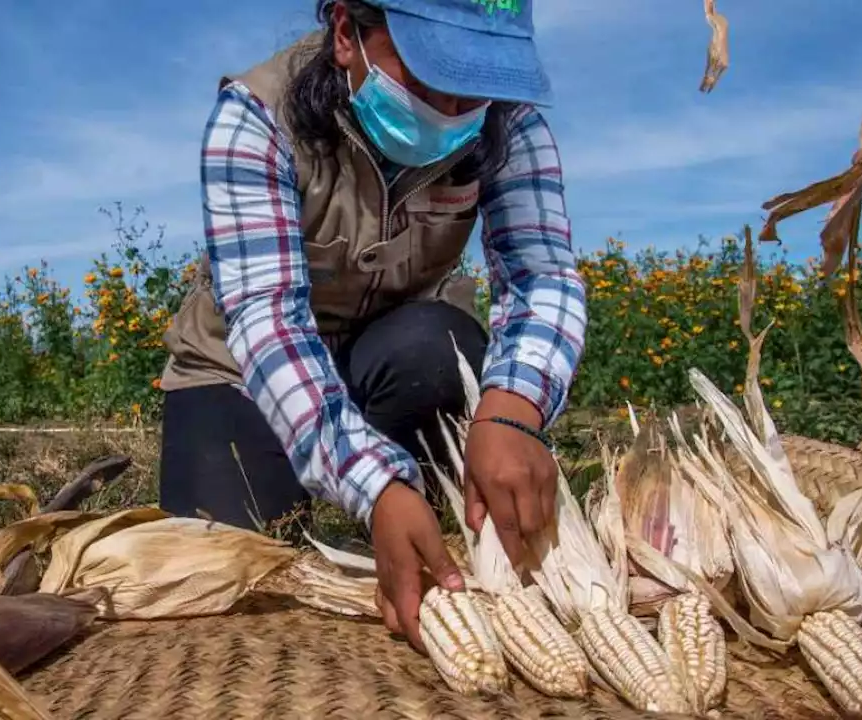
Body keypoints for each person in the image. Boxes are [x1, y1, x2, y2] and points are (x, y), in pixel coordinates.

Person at [156, 0, 587, 654]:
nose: (450, 108)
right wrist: (376, 483)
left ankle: (420, 497)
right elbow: (269, 323)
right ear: (346, 34)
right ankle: (373, 490)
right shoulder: (253, 118)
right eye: (425, 79)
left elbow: (543, 277)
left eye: (473, 84)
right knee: (222, 559)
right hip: (242, 369)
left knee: (440, 351)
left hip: (387, 350)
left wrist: (512, 410)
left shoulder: (507, 123)